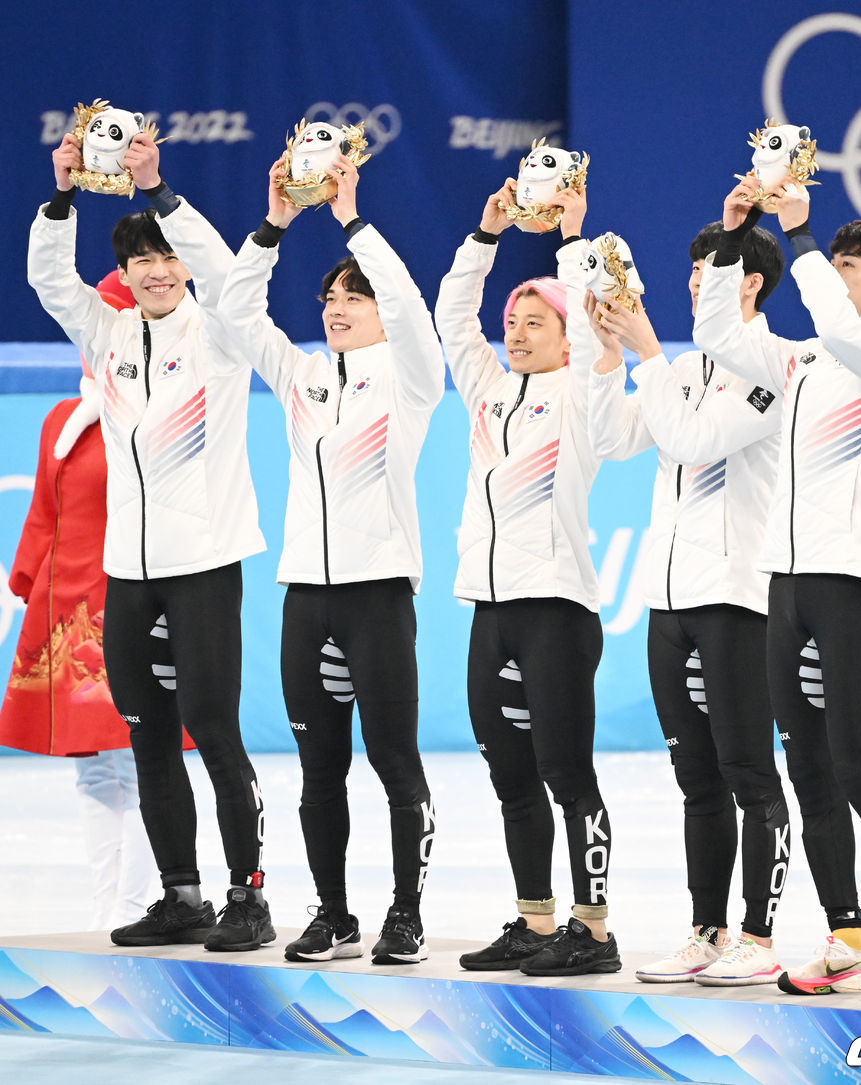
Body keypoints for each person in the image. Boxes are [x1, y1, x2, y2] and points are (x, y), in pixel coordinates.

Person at [692, 175, 861, 995]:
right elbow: (714, 333)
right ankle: (844, 936)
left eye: (847, 265)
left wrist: (801, 238)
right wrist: (734, 242)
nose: (831, 275)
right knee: (809, 772)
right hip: (786, 584)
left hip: (853, 584)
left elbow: (845, 329)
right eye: (829, 260)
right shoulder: (799, 360)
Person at [28, 131, 273, 952]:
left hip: (203, 567)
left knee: (214, 727)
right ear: (126, 277)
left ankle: (249, 895)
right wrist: (61, 196)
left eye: (168, 258)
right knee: (147, 734)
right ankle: (182, 894)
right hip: (127, 577)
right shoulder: (110, 337)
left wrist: (159, 189)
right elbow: (47, 279)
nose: (158, 271)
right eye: (142, 262)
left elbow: (233, 272)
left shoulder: (222, 335)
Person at [215, 154, 444, 965]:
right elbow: (238, 315)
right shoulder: (304, 377)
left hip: (378, 593)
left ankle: (405, 913)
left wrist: (352, 219)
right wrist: (273, 223)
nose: (338, 308)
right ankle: (334, 912)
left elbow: (414, 311)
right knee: (320, 769)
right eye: (331, 298)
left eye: (354, 298)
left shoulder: (410, 379)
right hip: (305, 596)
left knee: (392, 760)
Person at [586, 221, 792, 986]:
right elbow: (614, 440)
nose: (693, 282)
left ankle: (759, 936)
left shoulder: (772, 369)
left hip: (737, 599)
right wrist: (610, 357)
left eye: (711, 269)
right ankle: (706, 930)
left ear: (750, 284)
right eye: (692, 268)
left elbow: (692, 444)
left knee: (748, 773)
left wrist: (647, 356)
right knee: (696, 779)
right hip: (668, 604)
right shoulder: (689, 366)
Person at [435, 180, 620, 977]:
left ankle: (595, 929)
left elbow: (588, 318)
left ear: (565, 333)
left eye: (532, 322)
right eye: (510, 322)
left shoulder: (580, 392)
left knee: (566, 772)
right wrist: (484, 234)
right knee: (510, 774)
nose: (514, 333)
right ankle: (536, 921)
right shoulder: (487, 390)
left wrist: (570, 240)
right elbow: (452, 315)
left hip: (556, 607)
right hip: (490, 605)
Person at [0, 269, 163, 930]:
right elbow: (44, 511)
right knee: (94, 773)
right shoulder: (61, 418)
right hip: (65, 615)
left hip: (125, 610)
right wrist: (28, 588)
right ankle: (107, 913)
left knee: (138, 762)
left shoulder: (149, 412)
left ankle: (142, 904)